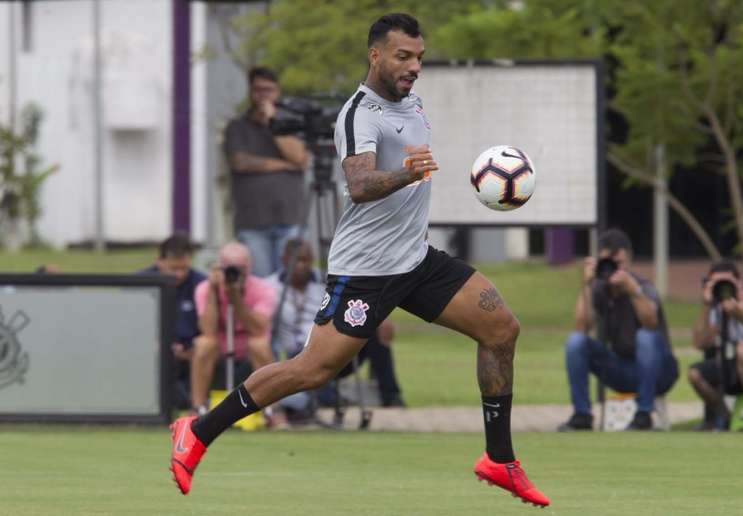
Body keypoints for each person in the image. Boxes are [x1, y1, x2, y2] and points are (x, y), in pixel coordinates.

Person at [170, 13, 549, 507]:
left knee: (501, 329)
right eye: (403, 56)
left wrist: (414, 177)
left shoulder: (411, 102)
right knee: (311, 370)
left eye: (419, 57)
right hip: (366, 269)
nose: (414, 66)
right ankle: (197, 430)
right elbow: (360, 185)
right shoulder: (358, 114)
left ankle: (499, 459)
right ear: (375, 55)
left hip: (415, 260)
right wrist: (406, 174)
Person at [558, 229, 678, 432]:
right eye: (609, 263)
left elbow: (650, 323)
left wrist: (633, 292)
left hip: (659, 370)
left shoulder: (643, 287)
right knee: (575, 342)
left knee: (645, 336)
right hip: (622, 368)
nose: (614, 270)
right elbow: (581, 326)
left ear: (629, 260)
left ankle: (643, 415)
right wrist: (586, 284)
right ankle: (582, 415)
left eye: (619, 263)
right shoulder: (599, 289)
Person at [267, 238, 404, 415]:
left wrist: (380, 318)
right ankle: (324, 397)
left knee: (377, 330)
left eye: (306, 260)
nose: (301, 265)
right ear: (284, 259)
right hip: (296, 356)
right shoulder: (270, 287)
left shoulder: (328, 281)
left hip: (331, 347)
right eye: (296, 260)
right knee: (315, 387)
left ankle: (392, 397)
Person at [222, 66, 310, 277]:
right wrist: (283, 165)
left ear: (277, 92)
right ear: (250, 92)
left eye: (268, 90)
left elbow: (299, 158)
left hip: (290, 218)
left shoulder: (291, 124)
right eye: (258, 90)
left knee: (289, 283)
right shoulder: (237, 126)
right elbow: (240, 162)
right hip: (253, 222)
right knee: (261, 285)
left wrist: (274, 123)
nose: (263, 95)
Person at [189, 241, 276, 415]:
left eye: (241, 268)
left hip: (248, 347)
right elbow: (207, 329)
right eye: (230, 268)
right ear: (219, 267)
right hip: (219, 347)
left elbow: (258, 329)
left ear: (249, 267)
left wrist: (235, 298)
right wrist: (214, 292)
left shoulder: (264, 289)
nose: (236, 273)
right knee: (203, 344)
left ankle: (272, 410)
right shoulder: (205, 288)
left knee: (259, 344)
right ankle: (197, 408)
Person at [688, 260, 743, 432]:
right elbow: (700, 343)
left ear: (740, 282)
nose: (723, 288)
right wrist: (706, 306)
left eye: (727, 282)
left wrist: (741, 315)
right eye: (717, 284)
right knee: (695, 374)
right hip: (731, 367)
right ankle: (725, 418)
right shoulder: (716, 306)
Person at [139, 232, 206, 410]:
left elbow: (208, 328)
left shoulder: (201, 284)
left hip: (189, 358)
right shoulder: (139, 284)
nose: (179, 274)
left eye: (184, 268)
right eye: (173, 268)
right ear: (159, 261)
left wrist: (191, 349)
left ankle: (196, 406)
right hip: (150, 356)